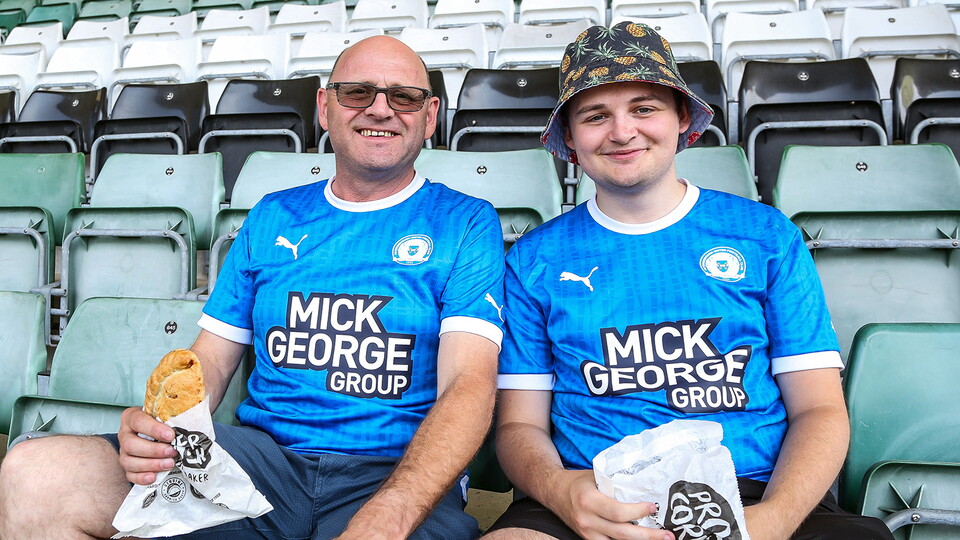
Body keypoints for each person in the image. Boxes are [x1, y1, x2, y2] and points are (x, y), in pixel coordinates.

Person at [0, 35, 505, 540]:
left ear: (431, 114)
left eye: (404, 97)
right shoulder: (272, 215)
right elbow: (212, 359)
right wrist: (154, 426)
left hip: (393, 470)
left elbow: (469, 385)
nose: (381, 109)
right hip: (260, 463)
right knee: (36, 476)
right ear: (324, 107)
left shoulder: (465, 222)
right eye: (357, 93)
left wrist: (389, 514)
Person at [482, 22, 894, 540]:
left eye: (644, 108)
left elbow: (819, 409)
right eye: (595, 116)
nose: (622, 131)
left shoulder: (765, 235)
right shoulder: (535, 258)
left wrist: (773, 521)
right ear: (569, 136)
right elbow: (520, 426)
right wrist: (565, 494)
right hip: (595, 498)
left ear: (681, 118)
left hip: (755, 491)